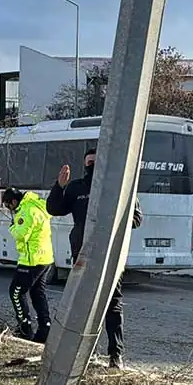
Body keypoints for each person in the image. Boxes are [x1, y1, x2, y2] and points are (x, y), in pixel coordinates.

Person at [47, 147, 142, 369]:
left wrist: (113, 220)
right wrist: (59, 186)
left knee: (113, 304)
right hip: (82, 254)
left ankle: (115, 354)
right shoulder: (76, 187)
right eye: (88, 163)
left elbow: (137, 219)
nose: (92, 166)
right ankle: (82, 354)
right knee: (81, 304)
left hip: (110, 254)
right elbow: (54, 209)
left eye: (96, 162)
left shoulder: (119, 187)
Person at [2, 187, 54, 343]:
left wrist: (13, 226)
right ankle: (45, 329)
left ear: (14, 201)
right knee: (37, 293)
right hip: (45, 259)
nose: (10, 210)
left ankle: (24, 328)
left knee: (16, 292)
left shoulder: (26, 211)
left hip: (31, 260)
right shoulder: (37, 204)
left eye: (8, 206)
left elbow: (21, 235)